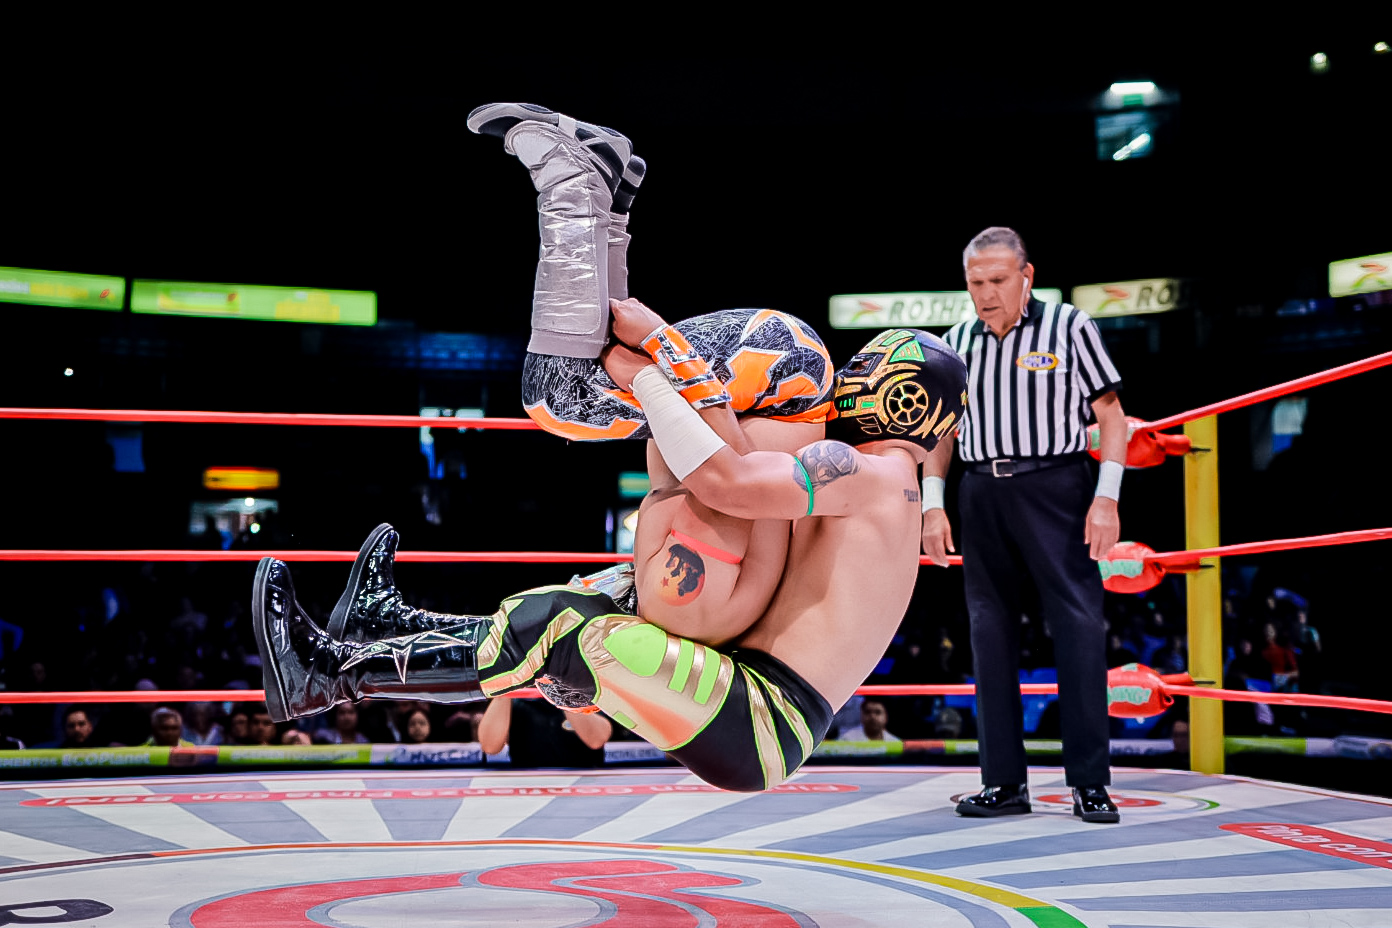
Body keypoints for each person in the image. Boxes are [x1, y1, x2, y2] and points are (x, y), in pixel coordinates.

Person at [249, 103, 967, 792]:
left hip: (754, 715)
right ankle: (382, 632)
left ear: (899, 394)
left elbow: (729, 483)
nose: (850, 377)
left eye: (867, 365)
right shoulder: (880, 484)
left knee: (564, 608)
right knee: (571, 600)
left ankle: (331, 677)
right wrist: (662, 366)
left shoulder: (870, 475)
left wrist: (660, 360)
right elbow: (737, 478)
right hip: (747, 690)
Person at [923, 226, 1128, 824]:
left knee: (1078, 627)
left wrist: (1107, 499)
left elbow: (1112, 417)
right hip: (980, 489)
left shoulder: (1070, 326)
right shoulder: (955, 342)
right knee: (987, 632)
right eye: (975, 283)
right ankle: (1004, 782)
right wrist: (933, 503)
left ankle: (1090, 783)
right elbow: (940, 433)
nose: (986, 294)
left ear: (1026, 276)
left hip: (1056, 485)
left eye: (997, 280)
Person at [477, 694, 611, 768]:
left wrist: (561, 692)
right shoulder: (516, 703)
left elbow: (597, 740)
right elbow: (489, 747)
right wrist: (503, 691)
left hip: (583, 789)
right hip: (528, 789)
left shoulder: (586, 697)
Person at [833, 696, 900, 742]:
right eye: (868, 712)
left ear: (886, 717)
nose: (872, 716)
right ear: (861, 715)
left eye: (877, 712)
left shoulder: (895, 742)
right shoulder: (847, 739)